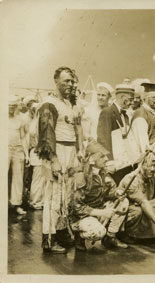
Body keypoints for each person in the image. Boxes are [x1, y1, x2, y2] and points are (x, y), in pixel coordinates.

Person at [36, 66, 84, 253]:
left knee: (67, 196)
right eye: (66, 81)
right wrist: (54, 160)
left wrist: (79, 153)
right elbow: (46, 135)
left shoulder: (69, 103)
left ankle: (62, 231)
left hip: (70, 152)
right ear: (56, 82)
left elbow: (77, 130)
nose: (70, 84)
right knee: (53, 196)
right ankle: (49, 238)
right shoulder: (49, 104)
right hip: (56, 153)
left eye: (72, 81)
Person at [69, 141, 129, 251]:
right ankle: (79, 236)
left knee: (123, 202)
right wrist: (102, 213)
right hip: (82, 216)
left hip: (99, 210)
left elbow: (109, 192)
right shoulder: (81, 176)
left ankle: (110, 237)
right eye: (102, 156)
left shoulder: (103, 173)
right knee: (97, 232)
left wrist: (116, 193)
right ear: (92, 160)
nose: (106, 159)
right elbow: (76, 207)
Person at [97, 84, 136, 183]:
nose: (132, 103)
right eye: (130, 99)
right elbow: (103, 139)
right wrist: (110, 162)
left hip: (125, 162)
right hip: (115, 164)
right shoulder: (107, 112)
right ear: (122, 97)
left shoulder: (125, 114)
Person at [131, 83, 155, 177]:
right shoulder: (141, 115)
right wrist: (150, 161)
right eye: (154, 98)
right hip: (150, 158)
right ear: (145, 97)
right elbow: (143, 143)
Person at [8, 95, 29, 215]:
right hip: (5, 149)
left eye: (13, 105)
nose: (11, 107)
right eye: (8, 105)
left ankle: (16, 204)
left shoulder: (21, 119)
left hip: (18, 149)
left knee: (18, 178)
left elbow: (24, 137)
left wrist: (27, 154)